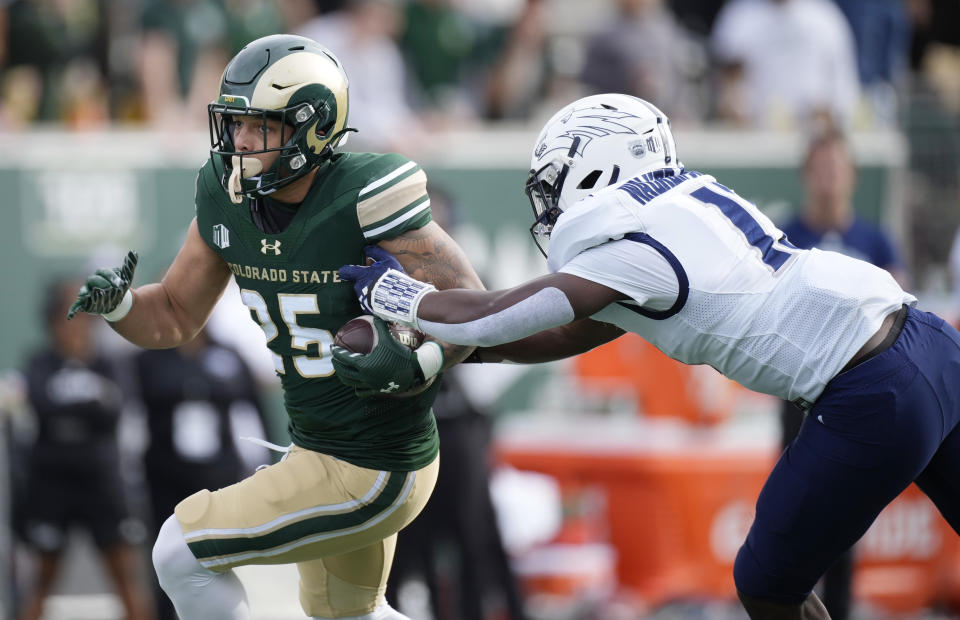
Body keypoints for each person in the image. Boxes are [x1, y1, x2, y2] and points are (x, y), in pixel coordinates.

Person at [333, 93, 960, 620]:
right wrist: (454, 354)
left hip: (871, 387)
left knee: (766, 583)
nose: (549, 208)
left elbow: (498, 313)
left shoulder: (632, 243)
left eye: (552, 186)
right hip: (931, 345)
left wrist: (405, 297)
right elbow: (562, 334)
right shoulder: (679, 206)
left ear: (595, 168)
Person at [67, 34, 483, 620]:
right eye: (236, 123)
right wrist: (120, 308)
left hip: (373, 462)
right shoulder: (226, 193)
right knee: (348, 615)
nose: (239, 140)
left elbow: (473, 305)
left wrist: (420, 357)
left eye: (260, 126)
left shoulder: (363, 193)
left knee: (178, 552)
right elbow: (174, 315)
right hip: (319, 449)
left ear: (312, 127)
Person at [776, 128, 909, 620]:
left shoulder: (874, 240)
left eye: (837, 167)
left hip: (857, 401)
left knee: (846, 518)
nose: (830, 178)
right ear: (806, 175)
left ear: (852, 175)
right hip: (800, 398)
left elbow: (901, 314)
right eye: (821, 167)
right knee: (793, 513)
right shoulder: (788, 237)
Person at [16, 278, 154, 620]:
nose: (76, 326)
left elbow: (111, 411)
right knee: (42, 581)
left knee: (125, 577)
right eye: (68, 316)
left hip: (101, 481)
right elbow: (42, 405)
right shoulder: (39, 363)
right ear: (51, 321)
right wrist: (86, 400)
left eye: (84, 316)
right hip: (51, 482)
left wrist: (74, 402)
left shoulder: (109, 364)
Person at [133, 327, 269, 620]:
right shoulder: (148, 360)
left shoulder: (228, 355)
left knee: (215, 559)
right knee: (165, 557)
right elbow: (132, 418)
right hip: (165, 475)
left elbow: (251, 412)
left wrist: (261, 469)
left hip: (218, 477)